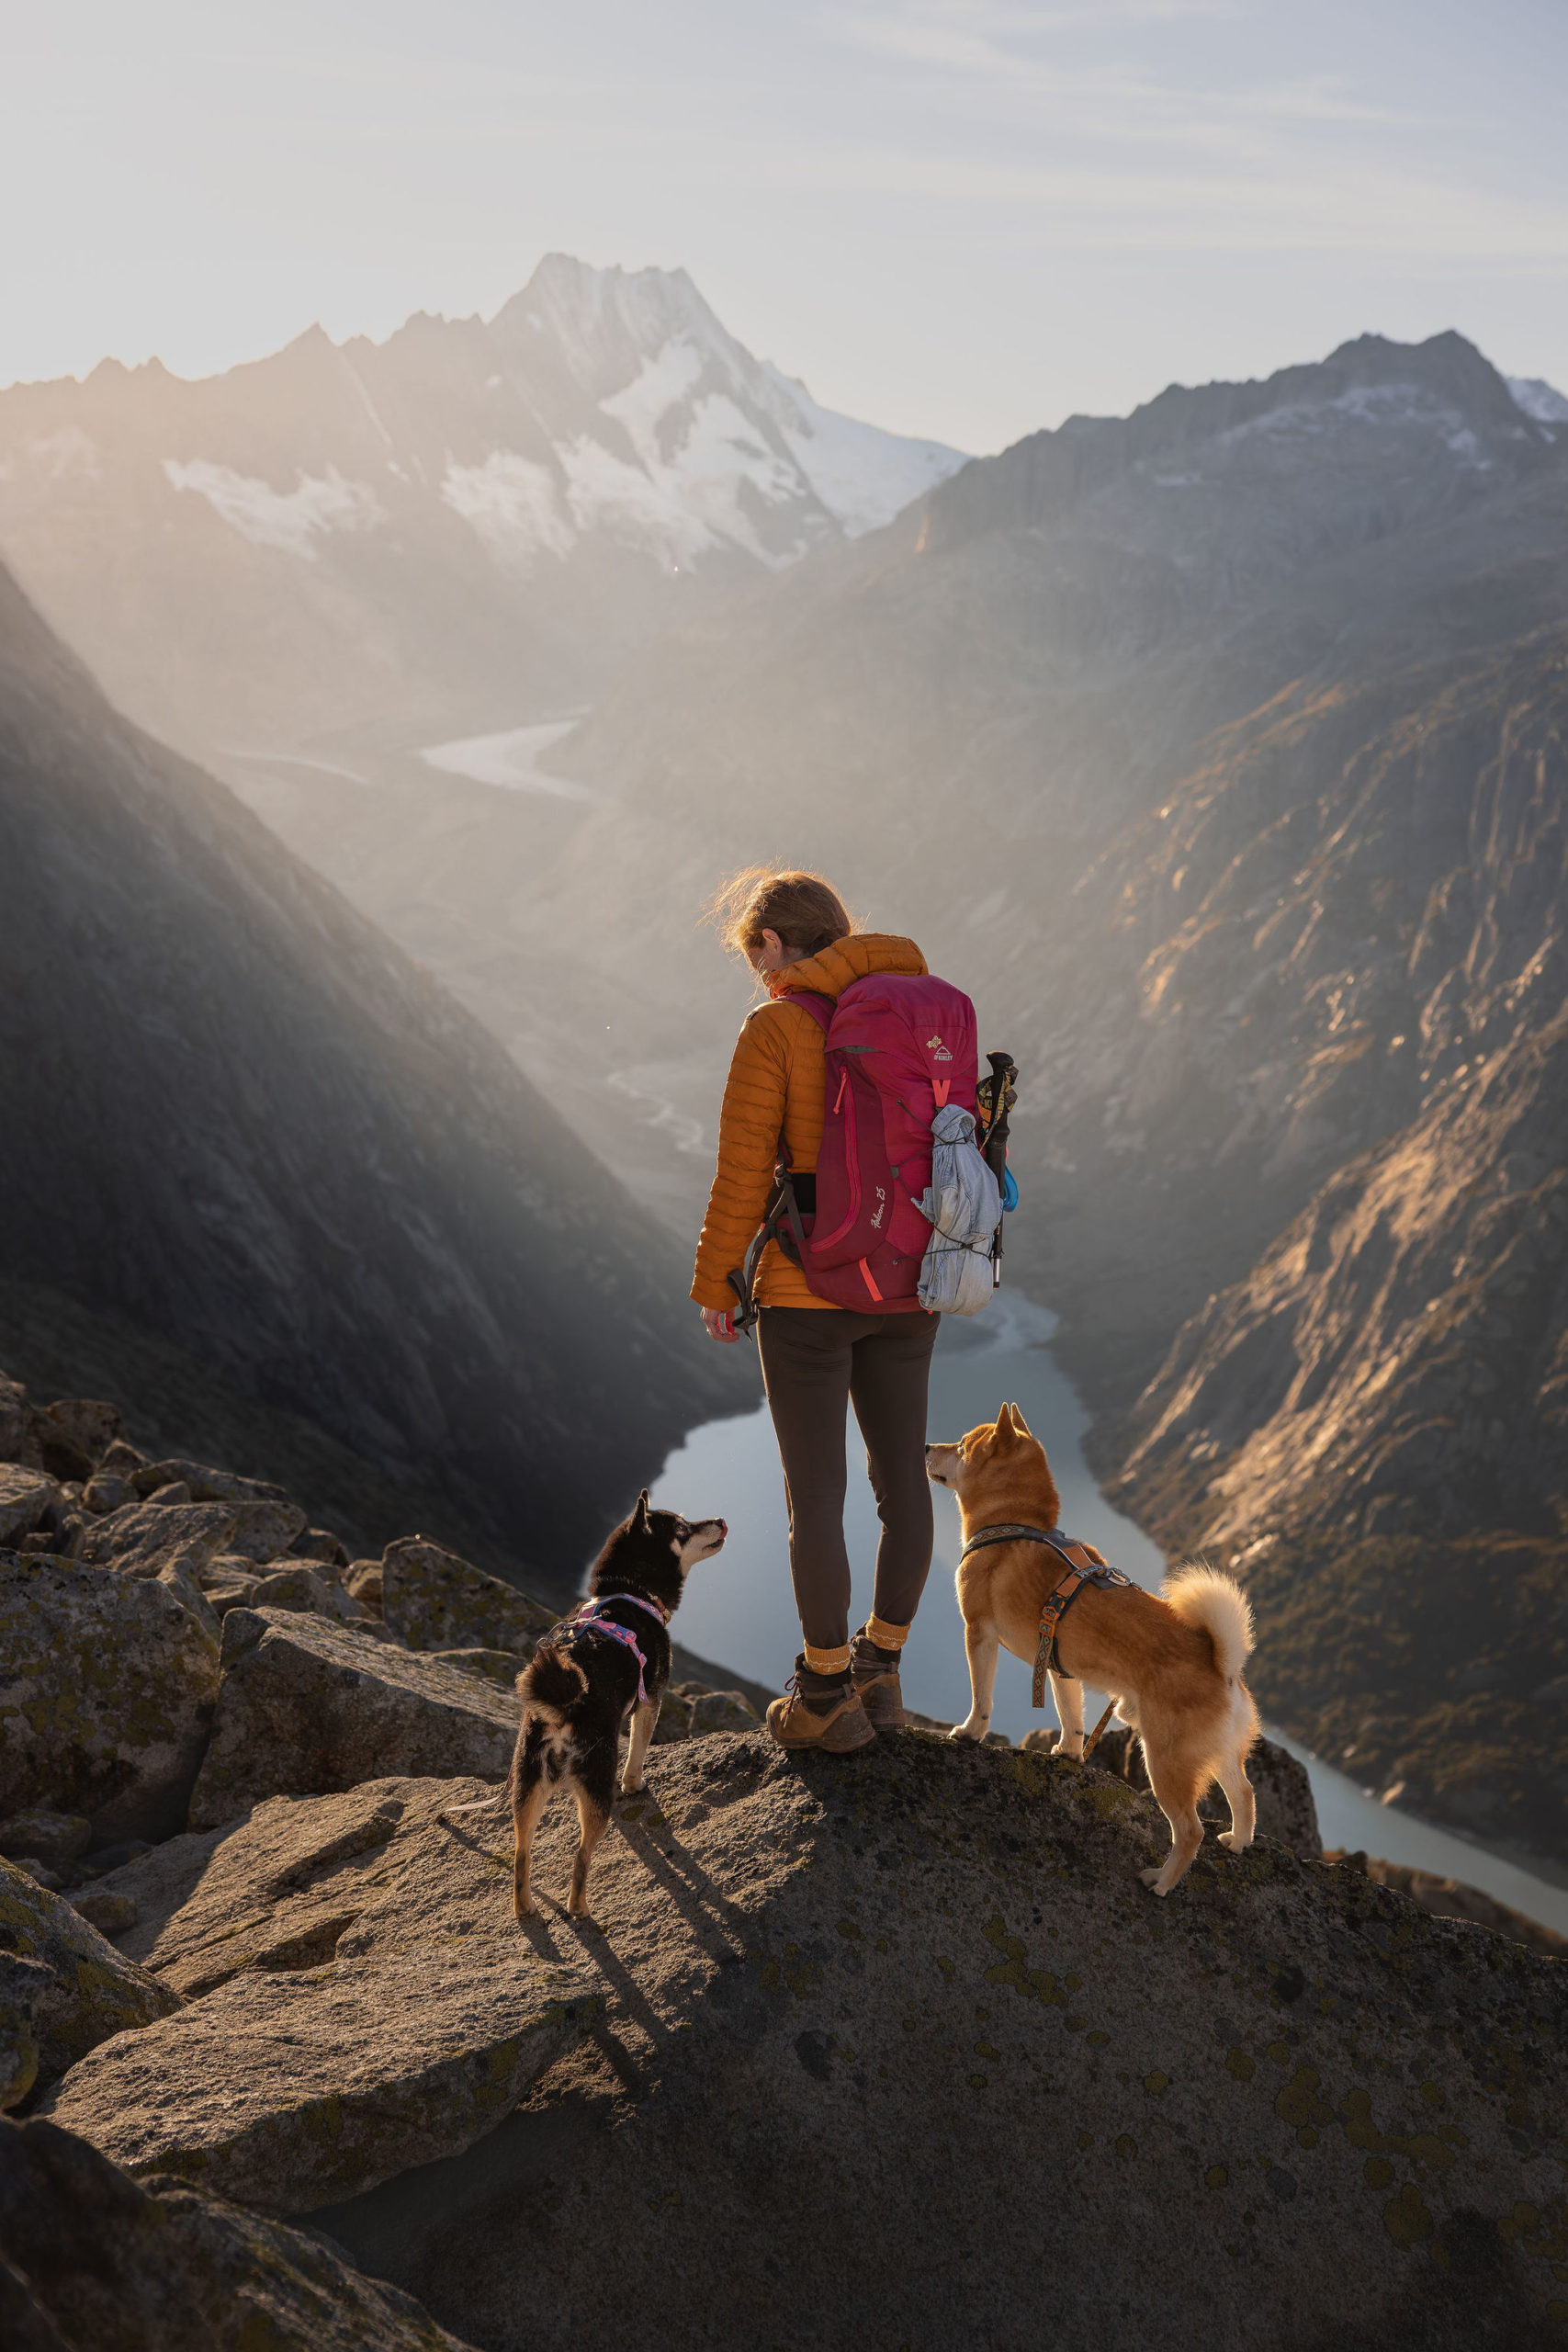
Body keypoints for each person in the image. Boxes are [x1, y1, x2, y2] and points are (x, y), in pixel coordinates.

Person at [691, 867, 942, 1753]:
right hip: (911, 1282)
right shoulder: (917, 1009)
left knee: (818, 1498)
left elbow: (743, 1169)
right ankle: (882, 1672)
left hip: (807, 1290)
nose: (754, 974)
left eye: (751, 956)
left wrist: (717, 1279)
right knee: (901, 1480)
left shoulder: (776, 1025)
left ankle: (825, 1694)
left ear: (769, 945)